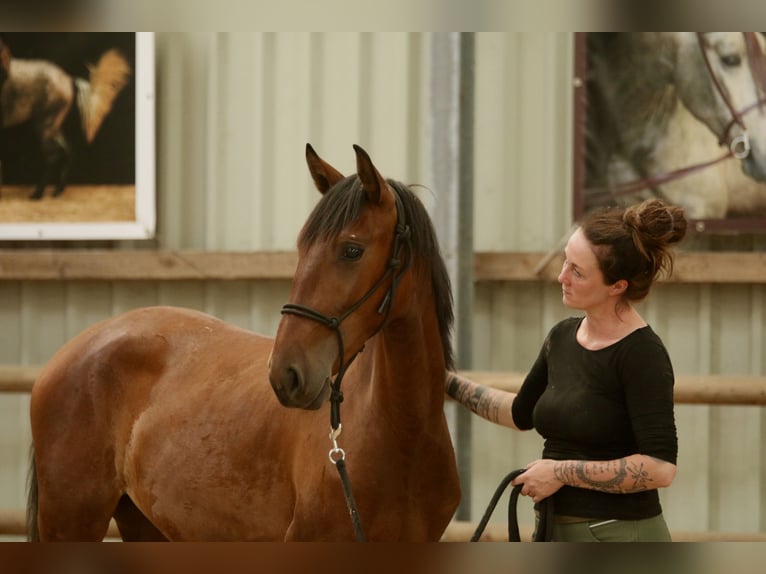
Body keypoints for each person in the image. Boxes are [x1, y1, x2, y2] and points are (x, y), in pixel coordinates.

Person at [447, 198, 687, 542]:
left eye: (577, 271)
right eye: (565, 261)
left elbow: (660, 468)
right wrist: (445, 382)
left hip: (617, 537)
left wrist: (560, 471)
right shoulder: (562, 336)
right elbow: (519, 413)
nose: (562, 276)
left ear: (617, 286)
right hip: (554, 529)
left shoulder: (642, 354)